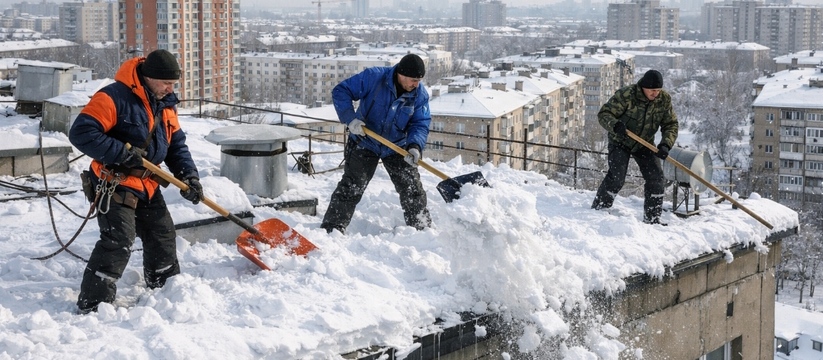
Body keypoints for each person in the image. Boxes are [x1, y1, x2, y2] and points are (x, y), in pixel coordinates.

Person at [69, 49, 203, 314]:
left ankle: (165, 288)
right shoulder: (113, 97)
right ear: (148, 77)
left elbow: (176, 144)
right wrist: (120, 152)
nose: (170, 88)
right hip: (114, 181)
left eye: (173, 83)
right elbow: (81, 133)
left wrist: (189, 175)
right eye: (166, 82)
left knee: (162, 234)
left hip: (148, 183)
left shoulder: (164, 103)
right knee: (119, 240)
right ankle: (94, 303)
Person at [321, 53, 432, 234]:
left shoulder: (419, 95)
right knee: (352, 186)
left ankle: (422, 231)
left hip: (397, 146)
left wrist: (415, 145)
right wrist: (350, 119)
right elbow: (341, 91)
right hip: (365, 140)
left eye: (419, 81)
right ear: (401, 74)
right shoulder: (373, 77)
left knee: (412, 190)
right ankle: (332, 229)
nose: (416, 85)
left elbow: (420, 123)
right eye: (413, 80)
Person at [591, 69, 679, 225]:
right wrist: (615, 125)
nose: (655, 94)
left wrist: (666, 144)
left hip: (645, 143)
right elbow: (604, 114)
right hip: (620, 141)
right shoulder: (626, 95)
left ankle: (652, 218)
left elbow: (670, 124)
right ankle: (600, 208)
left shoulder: (664, 100)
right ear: (643, 87)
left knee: (656, 178)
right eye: (652, 90)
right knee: (617, 176)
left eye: (658, 90)